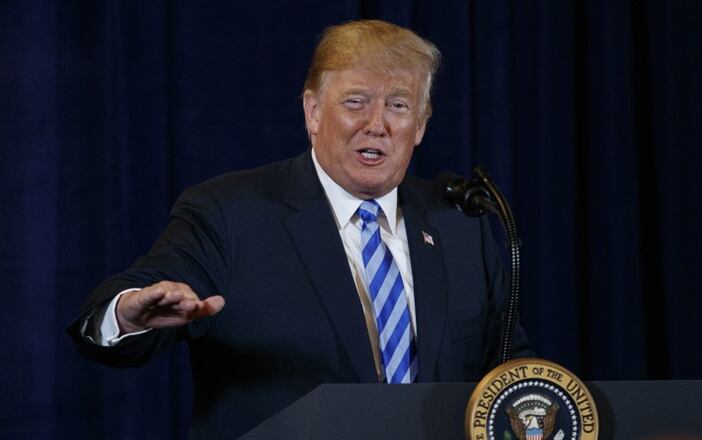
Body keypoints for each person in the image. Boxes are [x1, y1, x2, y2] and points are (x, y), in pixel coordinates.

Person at [68, 19, 531, 440]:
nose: (376, 125)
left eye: (398, 105)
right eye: (355, 102)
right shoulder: (230, 212)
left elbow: (511, 373)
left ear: (421, 125)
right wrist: (126, 315)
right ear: (313, 112)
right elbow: (136, 297)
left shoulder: (459, 224)